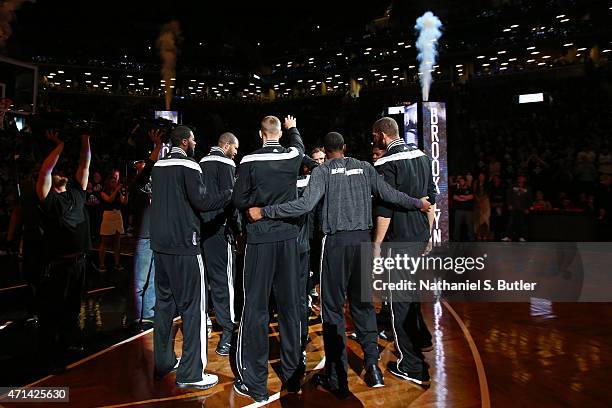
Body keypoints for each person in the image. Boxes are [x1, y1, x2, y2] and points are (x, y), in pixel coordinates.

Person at [248, 131, 430, 399]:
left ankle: (338, 379)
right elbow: (392, 195)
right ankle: (373, 369)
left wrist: (265, 211)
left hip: (335, 246)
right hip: (362, 244)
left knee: (332, 311)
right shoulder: (365, 168)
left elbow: (304, 205)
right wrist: (418, 203)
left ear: (327, 151)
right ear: (344, 148)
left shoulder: (322, 173)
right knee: (363, 306)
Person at [231, 115, 306, 403]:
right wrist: (293, 128)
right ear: (278, 133)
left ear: (261, 134)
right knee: (289, 308)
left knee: (256, 309)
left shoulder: (249, 159)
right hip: (288, 240)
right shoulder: (292, 154)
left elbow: (238, 200)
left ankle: (255, 383)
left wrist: (255, 204)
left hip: (260, 240)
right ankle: (293, 377)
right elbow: (298, 144)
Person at [150, 125, 231, 390]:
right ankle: (192, 373)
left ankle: (162, 362)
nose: (196, 143)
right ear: (185, 142)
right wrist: (230, 194)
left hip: (160, 248)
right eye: (193, 139)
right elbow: (203, 201)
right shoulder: (190, 166)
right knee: (193, 310)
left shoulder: (158, 166)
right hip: (185, 246)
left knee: (164, 309)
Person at [371, 117, 437, 387]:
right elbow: (431, 197)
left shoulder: (385, 162)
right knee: (410, 297)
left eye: (374, 136)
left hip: (398, 240)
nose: (373, 140)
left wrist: (376, 244)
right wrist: (429, 234)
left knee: (398, 302)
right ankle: (421, 340)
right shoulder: (422, 156)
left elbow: (385, 209)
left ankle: (410, 364)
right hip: (419, 237)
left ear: (382, 136)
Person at [35, 129, 91, 370]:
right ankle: (50, 352)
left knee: (73, 306)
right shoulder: (48, 198)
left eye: (61, 172)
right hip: (58, 263)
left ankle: (68, 344)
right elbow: (45, 170)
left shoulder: (77, 192)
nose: (59, 174)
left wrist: (86, 140)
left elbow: (85, 164)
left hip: (79, 261)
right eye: (56, 173)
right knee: (53, 308)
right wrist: (59, 144)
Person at [199, 132, 240, 356]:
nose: (236, 153)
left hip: (200, 230)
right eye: (235, 148)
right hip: (219, 230)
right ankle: (227, 332)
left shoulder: (200, 162)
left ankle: (203, 323)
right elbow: (231, 199)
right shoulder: (226, 163)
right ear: (226, 145)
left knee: (202, 280)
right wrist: (236, 229)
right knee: (223, 282)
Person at [130, 129, 163, 329]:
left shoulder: (154, 185)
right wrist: (157, 146)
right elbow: (149, 167)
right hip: (143, 237)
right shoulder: (137, 185)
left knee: (152, 279)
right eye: (142, 166)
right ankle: (136, 315)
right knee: (140, 280)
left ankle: (149, 313)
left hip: (155, 235)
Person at [98, 173, 127, 271]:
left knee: (117, 241)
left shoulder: (118, 192)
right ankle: (102, 264)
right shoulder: (103, 192)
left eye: (116, 182)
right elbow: (109, 200)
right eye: (113, 182)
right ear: (108, 183)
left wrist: (126, 193)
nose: (115, 183)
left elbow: (124, 202)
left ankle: (117, 263)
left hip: (118, 215)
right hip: (108, 216)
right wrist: (117, 190)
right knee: (104, 241)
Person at [452, 175, 474, 241]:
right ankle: (456, 238)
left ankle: (471, 238)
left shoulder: (469, 189)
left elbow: (471, 197)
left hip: (468, 210)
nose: (461, 182)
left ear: (465, 182)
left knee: (470, 225)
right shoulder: (458, 190)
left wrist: (462, 197)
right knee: (457, 225)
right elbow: (455, 197)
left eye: (462, 181)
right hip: (459, 210)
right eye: (460, 181)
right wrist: (465, 198)